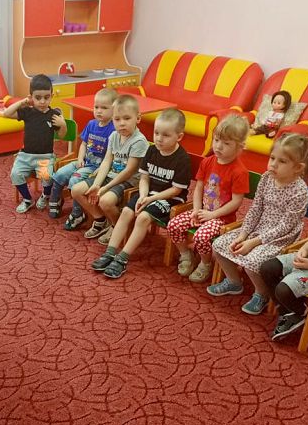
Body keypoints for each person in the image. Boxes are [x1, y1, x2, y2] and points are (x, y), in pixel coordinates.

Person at [207, 133, 308, 315]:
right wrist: (243, 235)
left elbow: (285, 227)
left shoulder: (300, 192)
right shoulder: (267, 178)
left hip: (280, 238)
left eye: (282, 161)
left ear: (298, 168)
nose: (273, 164)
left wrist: (253, 242)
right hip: (257, 229)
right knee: (219, 245)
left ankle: (262, 294)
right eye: (272, 158)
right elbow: (255, 209)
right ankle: (234, 282)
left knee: (252, 261)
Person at [91, 108, 191, 279]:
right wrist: (144, 195)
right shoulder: (151, 151)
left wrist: (151, 198)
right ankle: (110, 252)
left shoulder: (182, 159)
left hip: (170, 199)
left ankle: (122, 259)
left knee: (143, 217)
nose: (159, 138)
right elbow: (144, 178)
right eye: (156, 133)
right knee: (126, 212)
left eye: (166, 135)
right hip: (149, 193)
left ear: (179, 137)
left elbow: (176, 190)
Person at [166, 114, 250, 283]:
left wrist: (212, 215)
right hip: (202, 210)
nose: (218, 146)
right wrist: (196, 209)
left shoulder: (239, 171)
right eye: (216, 140)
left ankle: (205, 263)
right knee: (173, 225)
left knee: (201, 236)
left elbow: (236, 202)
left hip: (222, 218)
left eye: (226, 143)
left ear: (240, 147)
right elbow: (198, 188)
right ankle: (186, 254)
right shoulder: (207, 162)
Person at [260, 166, 308, 340]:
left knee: (283, 290)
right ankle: (289, 312)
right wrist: (304, 250)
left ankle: (300, 312)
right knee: (268, 268)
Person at [70, 94, 148, 244]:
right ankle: (100, 219)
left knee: (105, 201)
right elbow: (107, 161)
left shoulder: (139, 141)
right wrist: (97, 184)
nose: (122, 123)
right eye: (117, 119)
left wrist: (105, 188)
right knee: (76, 190)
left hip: (128, 181)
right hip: (111, 175)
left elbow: (129, 171)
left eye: (127, 118)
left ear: (138, 118)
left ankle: (116, 226)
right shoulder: (113, 136)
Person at [48, 87, 117, 224]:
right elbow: (84, 144)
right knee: (60, 173)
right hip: (84, 162)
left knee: (75, 181)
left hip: (96, 168)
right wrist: (80, 158)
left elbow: (113, 156)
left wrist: (101, 169)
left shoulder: (114, 130)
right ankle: (55, 200)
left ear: (114, 110)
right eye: (96, 107)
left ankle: (77, 213)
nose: (99, 111)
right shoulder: (91, 124)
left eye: (104, 108)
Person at [5, 74, 66, 214]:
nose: (42, 101)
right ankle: (27, 199)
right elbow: (6, 114)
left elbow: (62, 135)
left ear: (51, 96)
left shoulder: (54, 114)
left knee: (47, 177)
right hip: (25, 156)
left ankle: (45, 195)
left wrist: (63, 125)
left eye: (46, 97)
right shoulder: (28, 112)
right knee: (15, 174)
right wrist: (21, 102)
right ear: (31, 97)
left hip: (45, 157)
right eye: (38, 98)